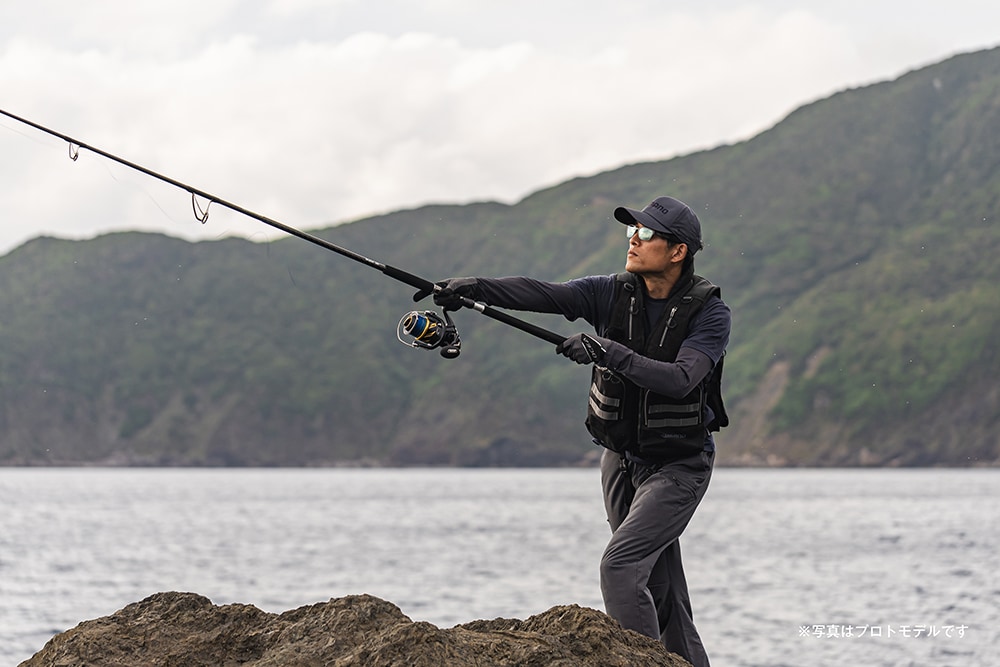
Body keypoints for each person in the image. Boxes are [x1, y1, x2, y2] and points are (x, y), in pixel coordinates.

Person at [430, 196, 730, 667]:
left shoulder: (710, 315)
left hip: (679, 465)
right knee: (661, 588)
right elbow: (545, 294)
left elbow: (681, 379)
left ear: (678, 252)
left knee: (622, 565)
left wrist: (606, 351)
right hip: (620, 458)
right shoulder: (609, 292)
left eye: (647, 233)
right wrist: (474, 288)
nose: (634, 238)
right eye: (632, 229)